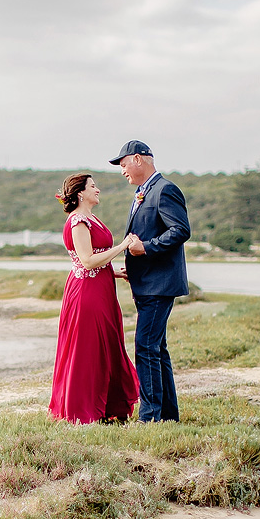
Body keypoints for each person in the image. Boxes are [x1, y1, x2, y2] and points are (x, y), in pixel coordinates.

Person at [48, 172, 140, 424]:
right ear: (80, 194)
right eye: (93, 186)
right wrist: (122, 247)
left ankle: (110, 407)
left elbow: (96, 259)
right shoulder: (77, 221)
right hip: (86, 293)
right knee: (88, 349)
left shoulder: (91, 218)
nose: (97, 189)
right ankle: (82, 410)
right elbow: (87, 261)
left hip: (103, 288)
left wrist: (114, 272)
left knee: (108, 344)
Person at [111, 140, 190, 422]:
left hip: (160, 284)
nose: (122, 171)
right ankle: (168, 416)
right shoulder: (141, 192)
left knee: (145, 346)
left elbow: (180, 230)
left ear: (138, 159)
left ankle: (150, 417)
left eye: (123, 165)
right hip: (144, 282)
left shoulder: (165, 189)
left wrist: (146, 247)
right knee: (157, 348)